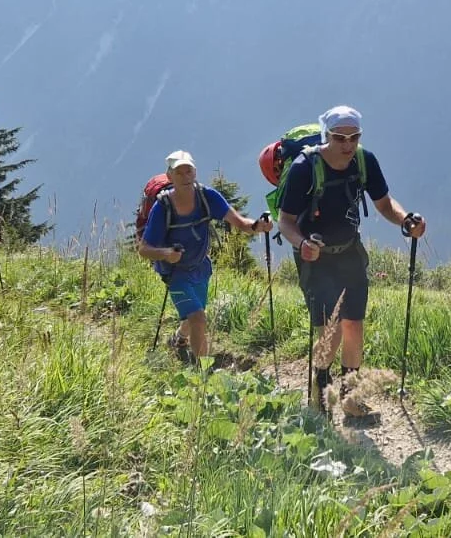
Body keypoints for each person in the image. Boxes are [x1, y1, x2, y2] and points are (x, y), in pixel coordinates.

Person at [276, 105, 426, 414]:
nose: (347, 145)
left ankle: (350, 397)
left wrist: (405, 221)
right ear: (326, 135)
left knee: (354, 325)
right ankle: (320, 393)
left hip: (349, 251)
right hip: (315, 258)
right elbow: (286, 221)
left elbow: (384, 203)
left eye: (354, 137)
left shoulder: (364, 161)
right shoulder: (304, 167)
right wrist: (302, 244)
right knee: (329, 332)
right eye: (339, 138)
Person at [138, 150, 273, 362]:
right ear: (170, 176)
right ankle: (203, 374)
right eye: (178, 172)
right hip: (174, 272)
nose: (185, 176)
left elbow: (239, 222)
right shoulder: (162, 207)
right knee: (198, 318)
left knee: (195, 314)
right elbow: (144, 248)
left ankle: (179, 338)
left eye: (188, 171)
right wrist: (165, 254)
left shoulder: (207, 197)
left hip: (201, 267)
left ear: (195, 172)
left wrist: (258, 226)